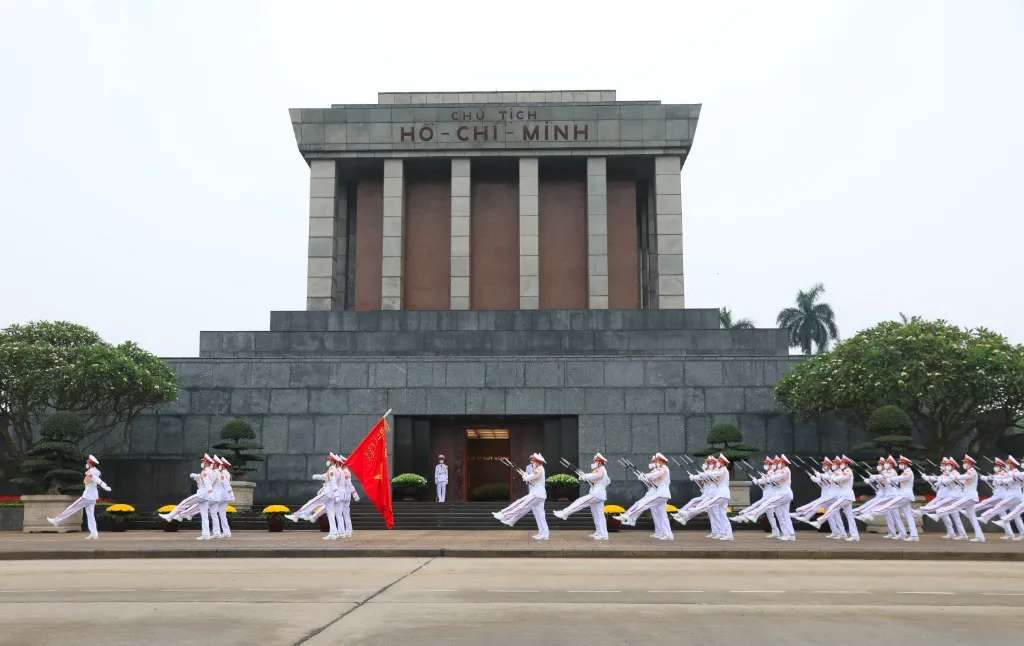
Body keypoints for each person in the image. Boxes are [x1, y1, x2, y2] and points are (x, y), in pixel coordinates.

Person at [47, 454, 111, 539]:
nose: (86, 464)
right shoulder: (93, 471)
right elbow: (94, 480)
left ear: (90, 464)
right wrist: (104, 485)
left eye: (87, 463)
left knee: (71, 508)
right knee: (90, 515)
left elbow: (96, 479)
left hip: (87, 497)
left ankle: (56, 520)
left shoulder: (92, 472)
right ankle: (94, 533)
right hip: (92, 497)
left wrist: (104, 485)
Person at [926, 454, 985, 542]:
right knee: (972, 517)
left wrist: (954, 477)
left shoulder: (972, 471)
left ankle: (938, 514)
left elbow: (965, 477)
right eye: (964, 463)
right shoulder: (967, 472)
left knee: (954, 506)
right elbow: (962, 482)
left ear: (970, 464)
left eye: (966, 463)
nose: (964, 464)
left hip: (970, 497)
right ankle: (980, 536)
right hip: (967, 496)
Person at [615, 453, 673, 541]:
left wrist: (645, 476)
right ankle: (668, 534)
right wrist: (644, 477)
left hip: (661, 493)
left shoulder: (664, 468)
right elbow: (653, 480)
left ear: (661, 461)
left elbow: (654, 476)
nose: (656, 462)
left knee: (644, 503)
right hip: (661, 493)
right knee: (662, 515)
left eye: (657, 461)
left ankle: (628, 516)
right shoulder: (660, 469)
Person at [553, 453, 611, 540]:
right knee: (598, 515)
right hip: (599, 494)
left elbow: (598, 476)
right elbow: (606, 481)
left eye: (595, 460)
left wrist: (585, 476)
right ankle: (601, 533)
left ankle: (564, 513)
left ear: (599, 462)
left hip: (596, 494)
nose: (594, 462)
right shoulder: (601, 469)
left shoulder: (601, 469)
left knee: (579, 502)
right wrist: (587, 479)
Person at [493, 453, 549, 540]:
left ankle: (504, 515)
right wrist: (527, 477)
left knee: (520, 504)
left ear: (537, 461)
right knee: (539, 516)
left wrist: (527, 477)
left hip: (537, 494)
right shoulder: (538, 468)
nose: (533, 461)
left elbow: (534, 477)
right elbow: (533, 481)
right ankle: (544, 534)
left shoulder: (539, 468)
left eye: (534, 460)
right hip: (538, 494)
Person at [213, 456, 234, 539]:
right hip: (224, 496)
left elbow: (225, 483)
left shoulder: (223, 473)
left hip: (221, 495)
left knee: (215, 513)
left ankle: (218, 532)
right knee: (222, 514)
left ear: (223, 465)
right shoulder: (226, 473)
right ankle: (226, 532)